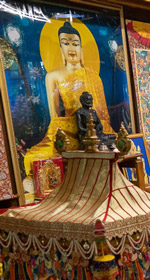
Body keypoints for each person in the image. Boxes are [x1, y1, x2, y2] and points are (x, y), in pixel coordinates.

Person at [26, 21, 113, 172]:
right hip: (68, 133)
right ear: (60, 48)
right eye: (66, 43)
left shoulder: (94, 77)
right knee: (32, 157)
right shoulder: (53, 76)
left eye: (75, 44)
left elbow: (103, 115)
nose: (71, 48)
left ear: (81, 48)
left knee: (126, 144)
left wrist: (97, 129)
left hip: (97, 135)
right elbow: (54, 118)